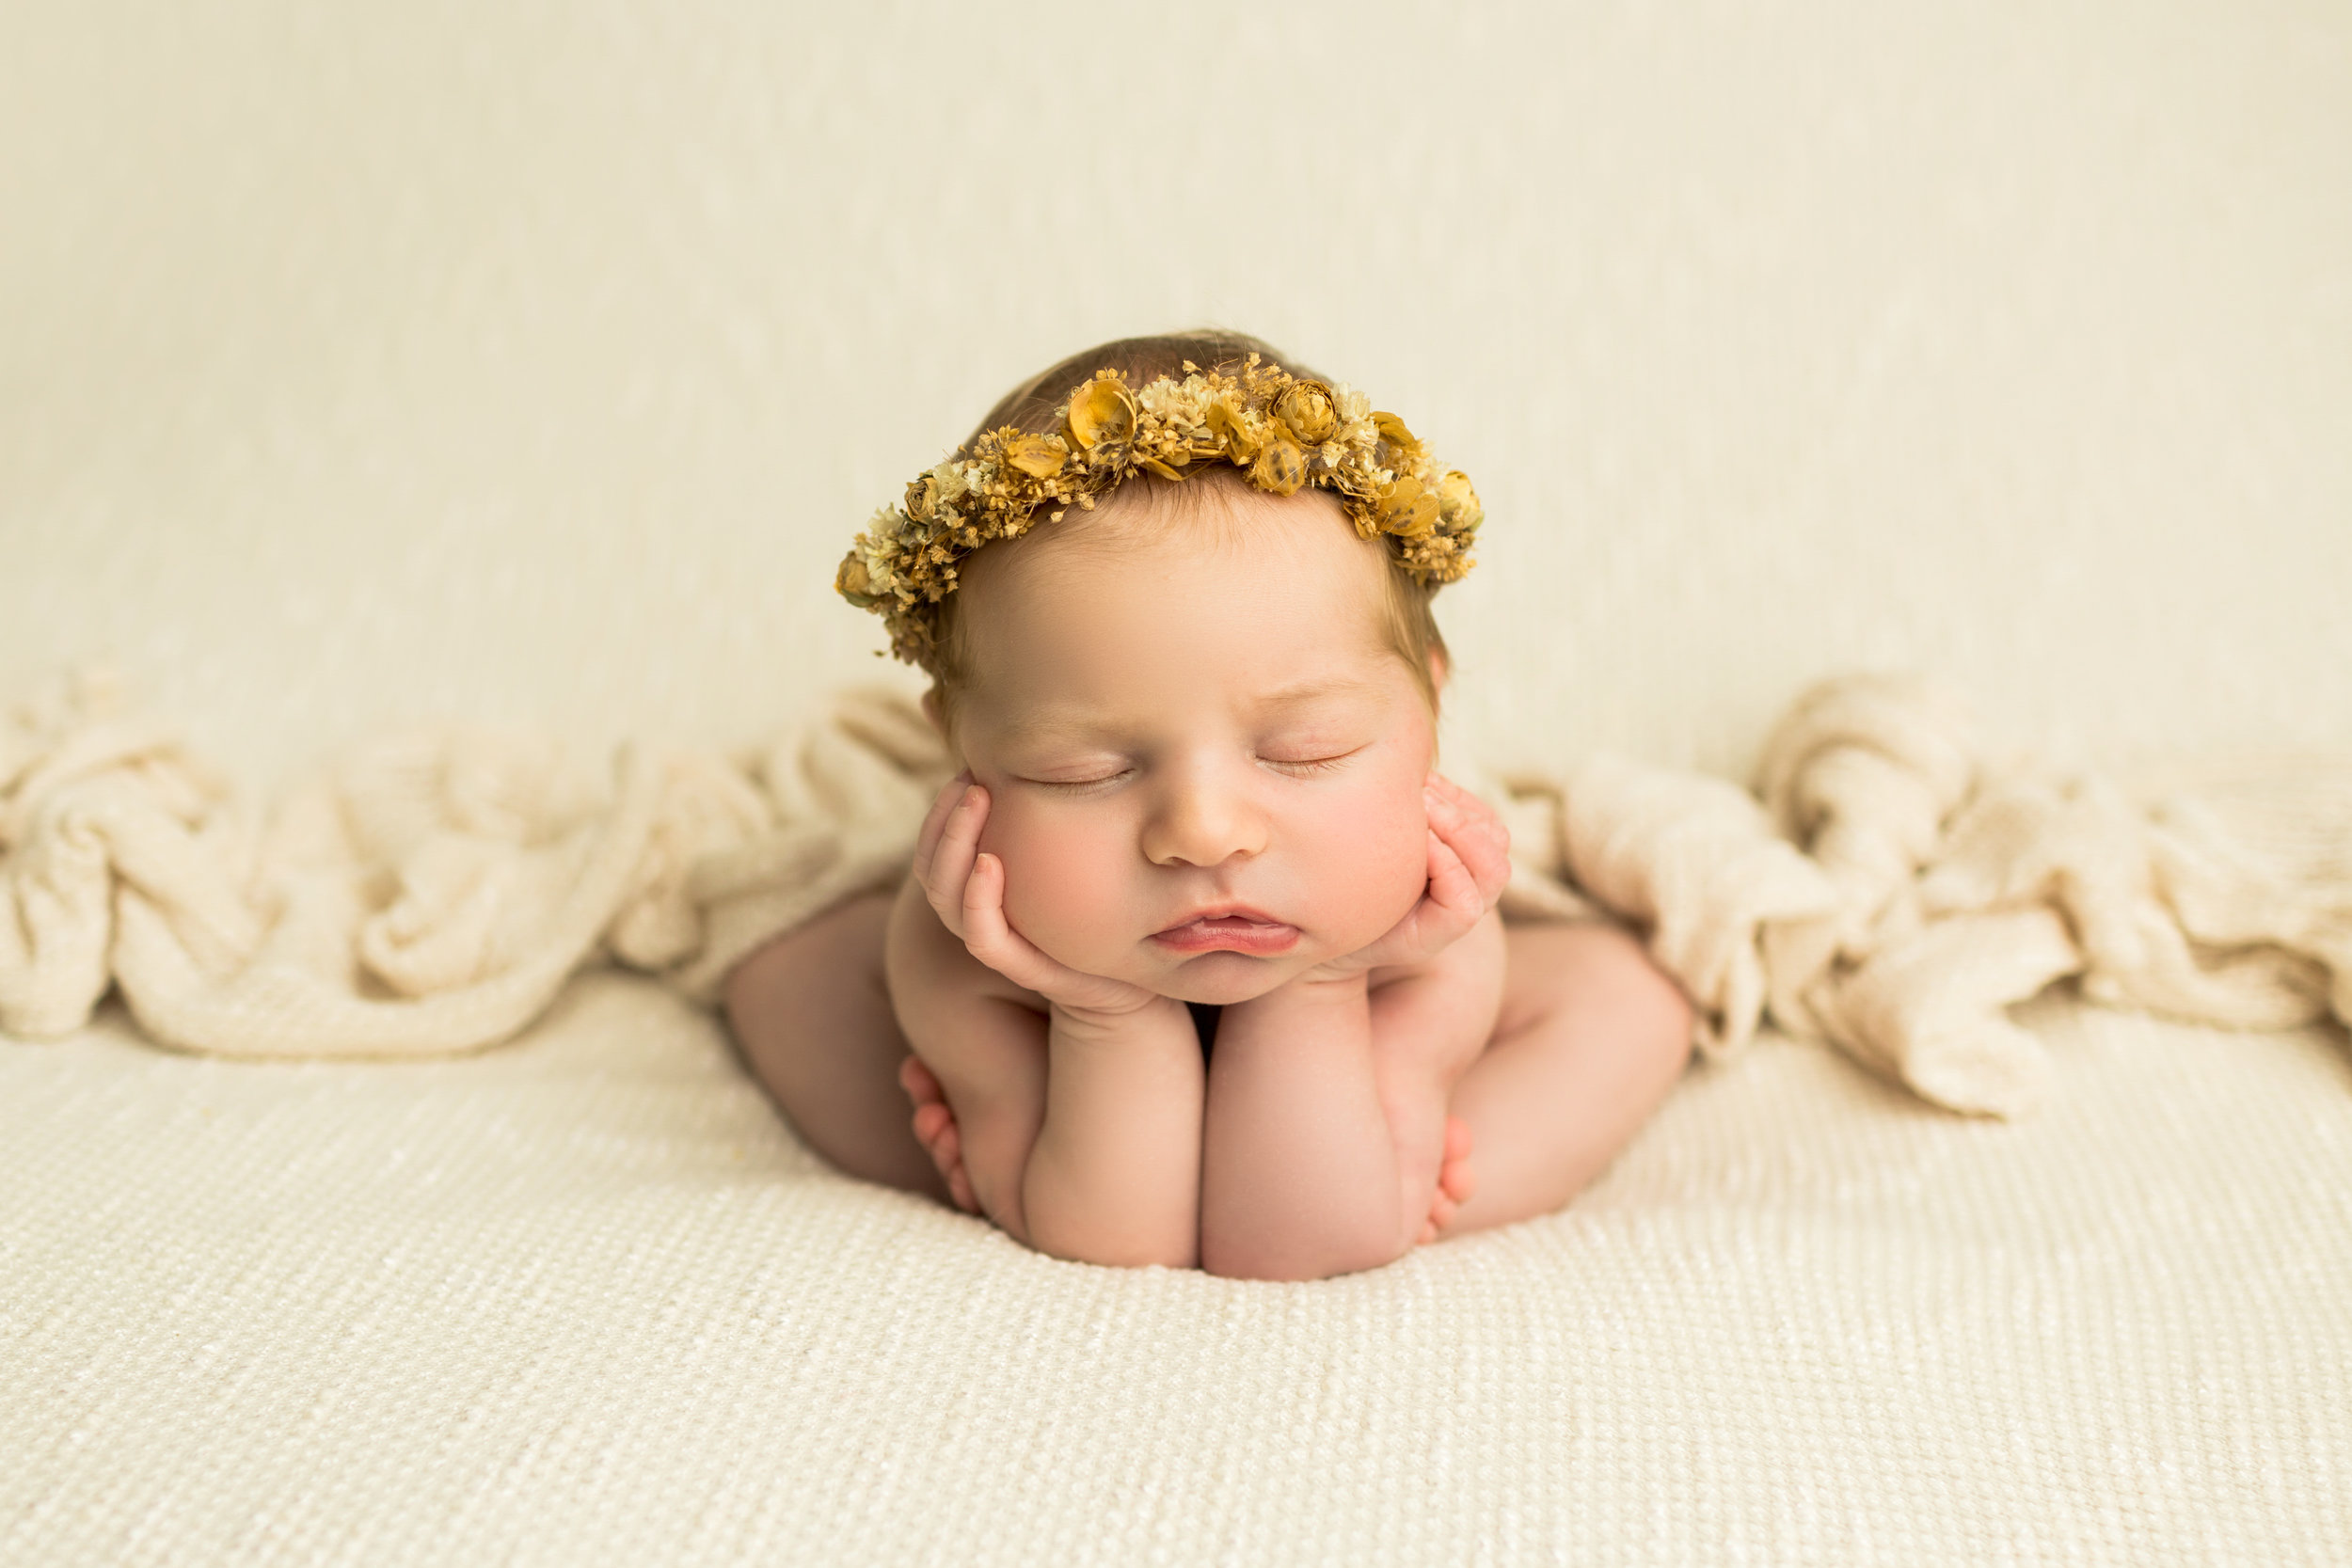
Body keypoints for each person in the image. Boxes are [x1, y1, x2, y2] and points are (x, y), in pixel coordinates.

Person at [724, 332, 1694, 1280]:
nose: (1203, 830)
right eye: (1082, 768)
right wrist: (1098, 1009)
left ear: (1429, 710)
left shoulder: (1430, 928)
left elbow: (1298, 1243)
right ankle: (1021, 1155)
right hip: (1047, 987)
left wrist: (1330, 982)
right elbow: (1120, 1241)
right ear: (962, 751)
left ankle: (1406, 1160)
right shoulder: (964, 953)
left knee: (1629, 996)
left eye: (1302, 751)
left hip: (1360, 954)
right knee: (787, 970)